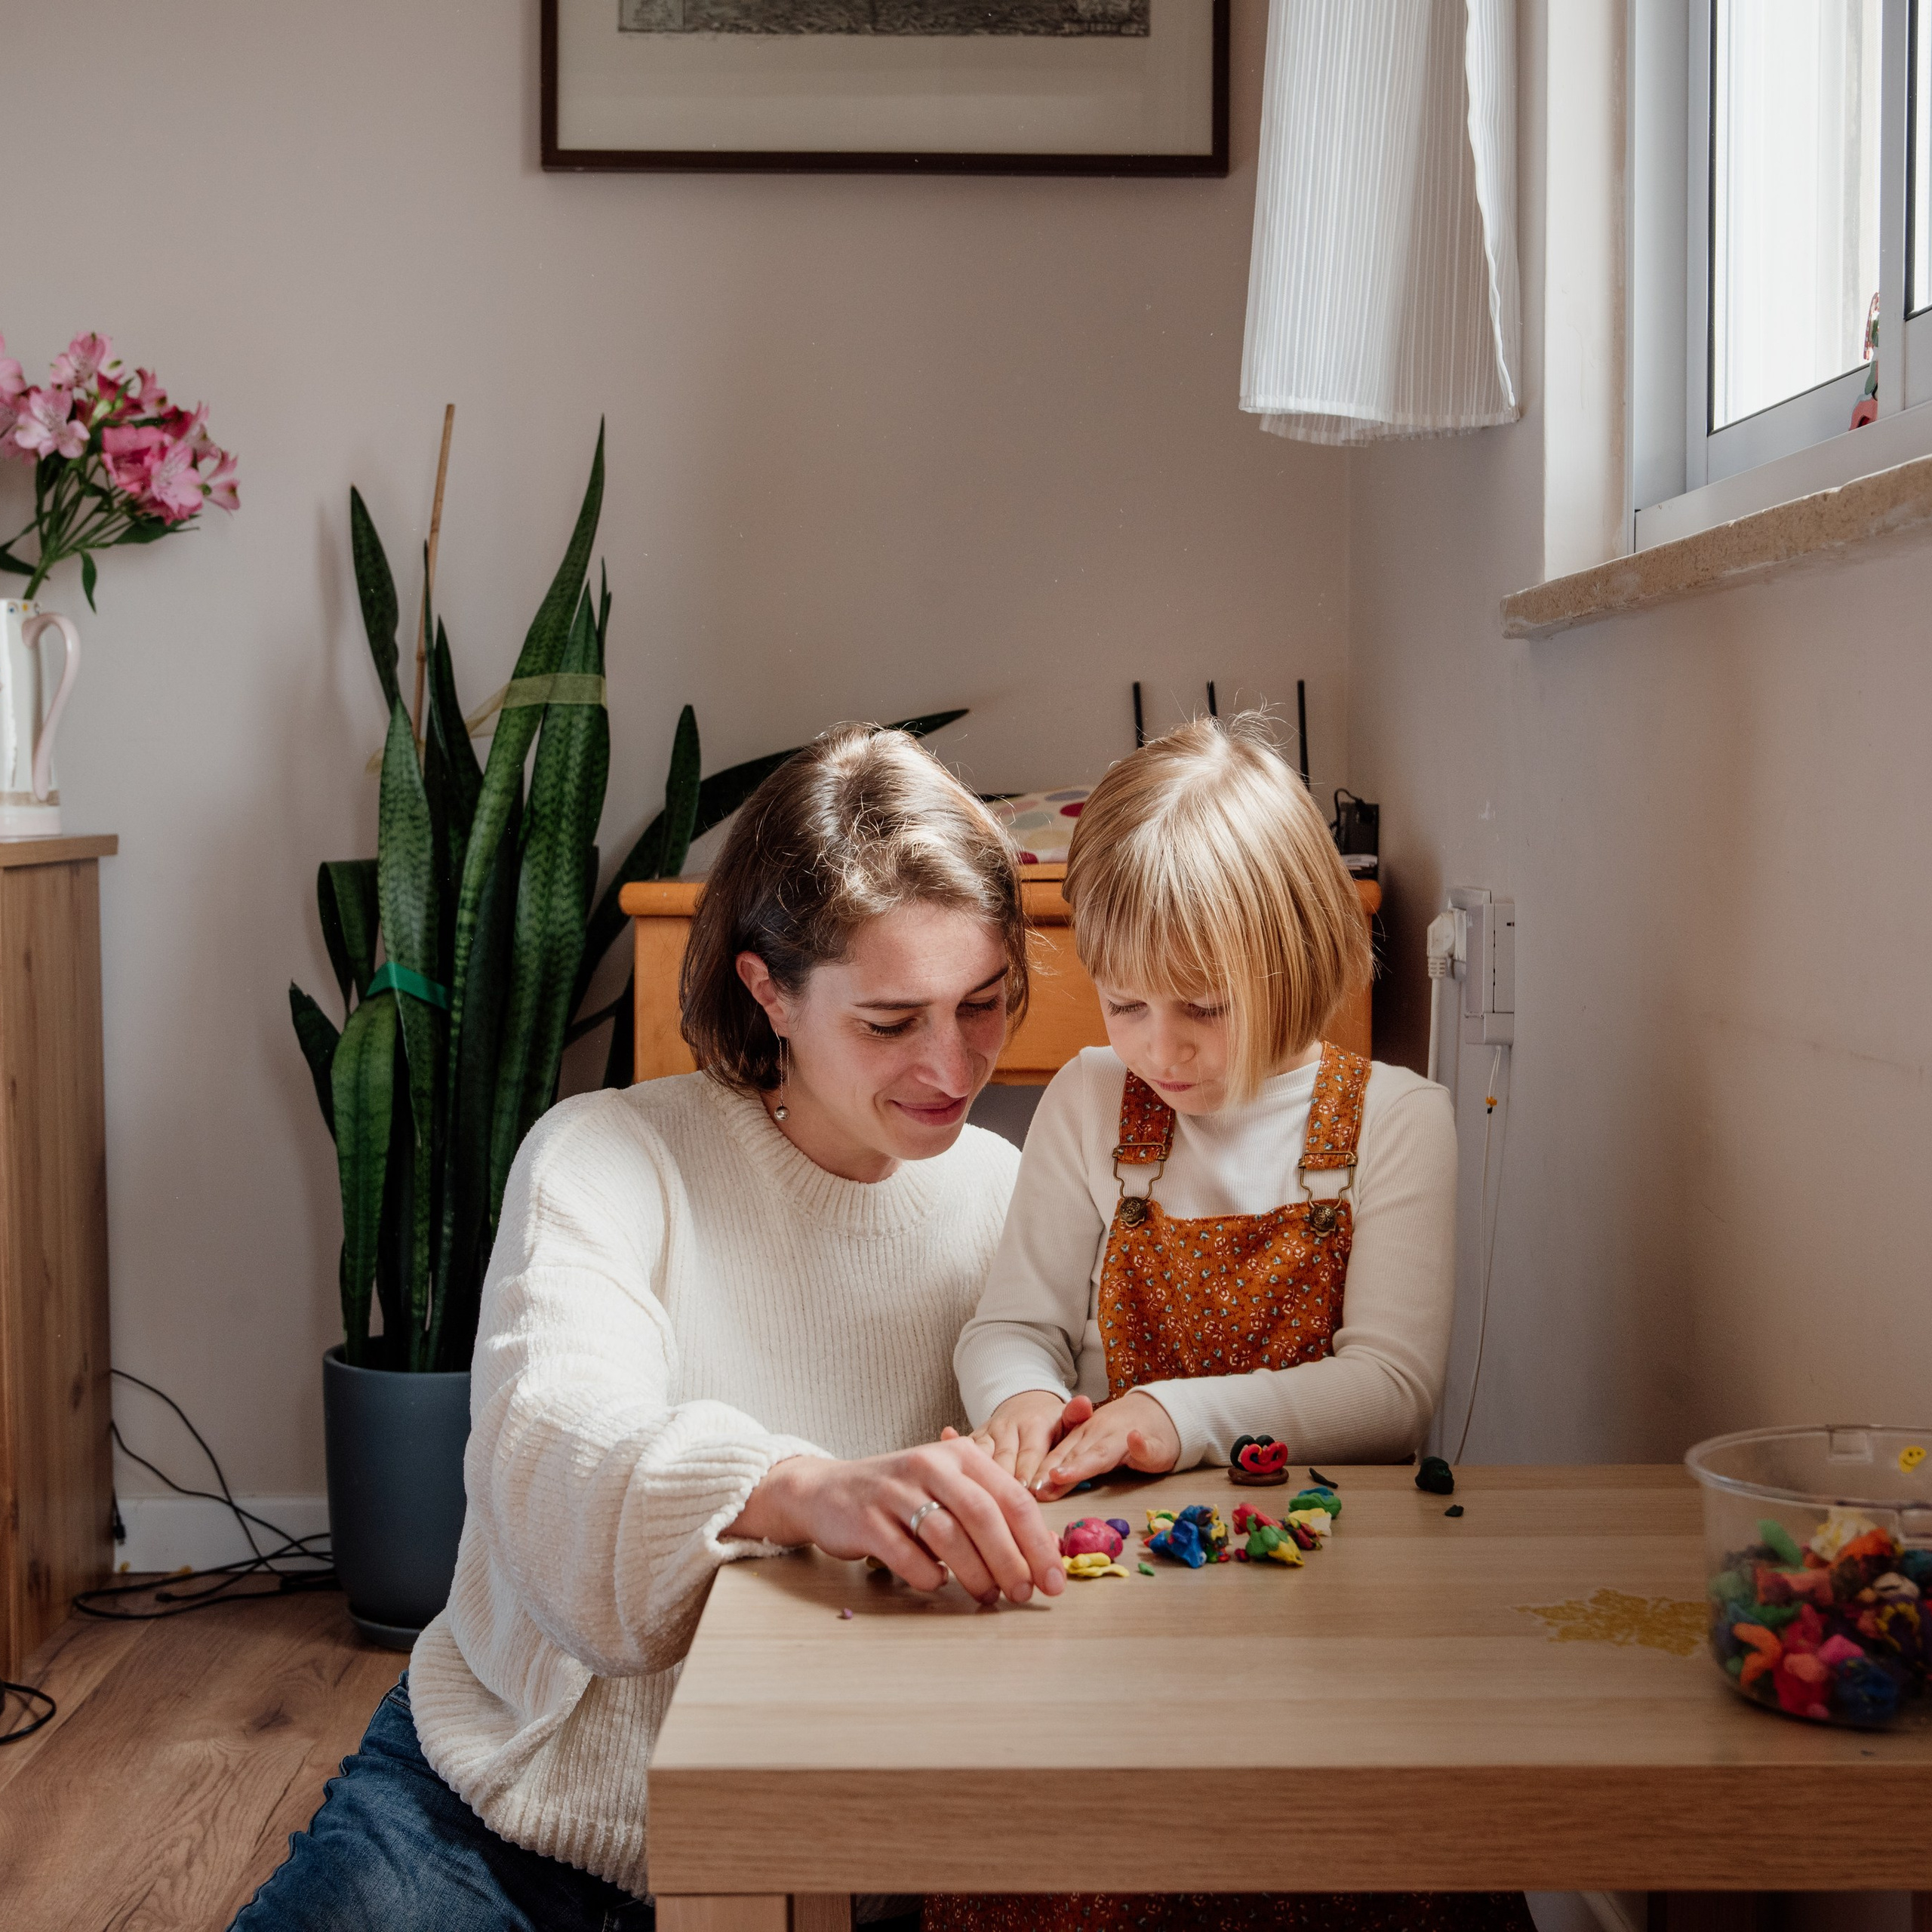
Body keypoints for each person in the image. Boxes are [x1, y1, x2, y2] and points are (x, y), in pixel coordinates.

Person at [231, 725, 1069, 1932]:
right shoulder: (605, 1156)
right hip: (514, 1816)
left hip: (835, 1849)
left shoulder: (1007, 1195)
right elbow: (551, 1451)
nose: (953, 1063)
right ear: (766, 990)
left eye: (984, 1004)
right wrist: (796, 1488)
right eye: (891, 1023)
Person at [930, 716, 1531, 1932]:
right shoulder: (1096, 1103)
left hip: (1332, 1602)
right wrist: (1025, 1402)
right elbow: (1010, 1327)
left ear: (1298, 951)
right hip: (1117, 1597)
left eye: (1201, 1003)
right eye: (1126, 1002)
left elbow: (1391, 1389)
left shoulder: (1395, 1120)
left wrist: (1170, 1416)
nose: (1161, 1048)